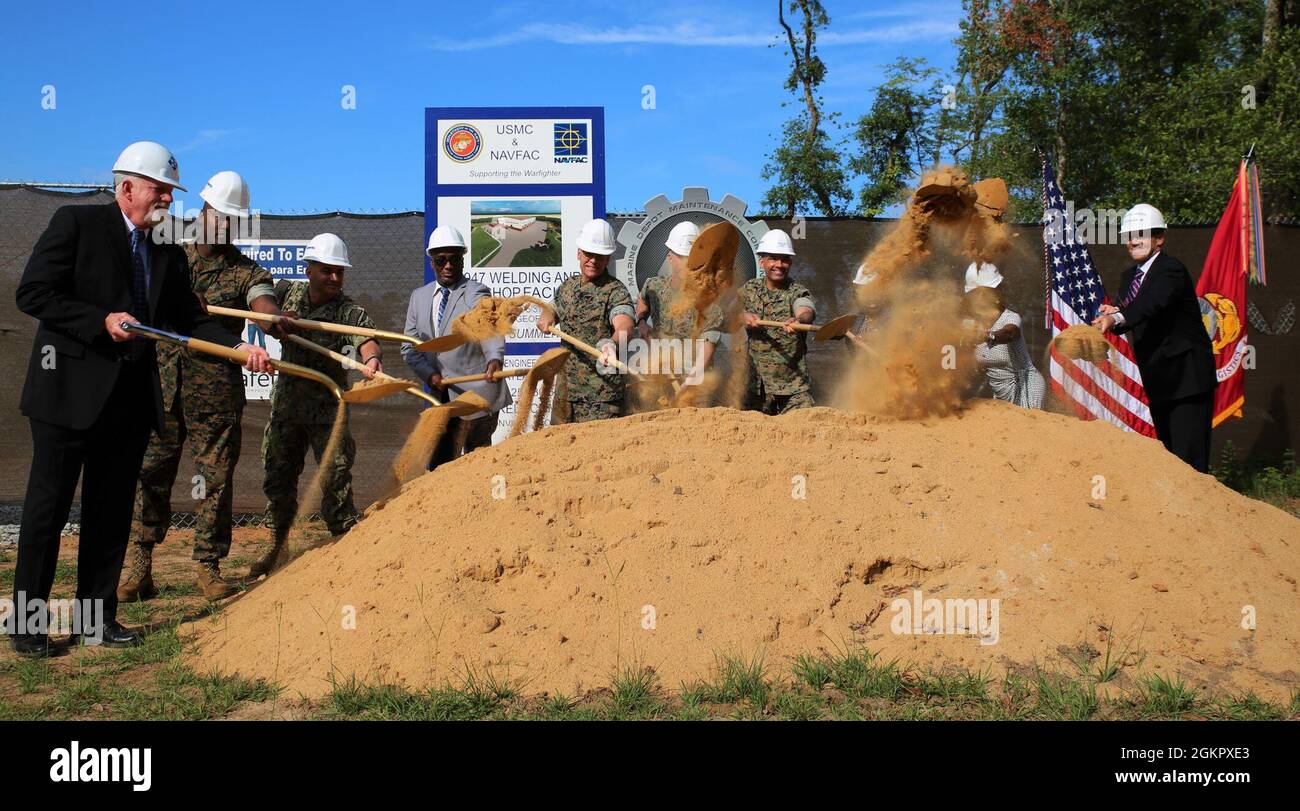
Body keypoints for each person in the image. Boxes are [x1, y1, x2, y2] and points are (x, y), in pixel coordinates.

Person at [11, 142, 271, 657]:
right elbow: (34, 293)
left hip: (127, 404)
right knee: (48, 509)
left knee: (108, 513)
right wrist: (100, 321)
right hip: (66, 396)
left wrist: (239, 348)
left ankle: (95, 619)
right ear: (127, 186)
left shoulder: (166, 254)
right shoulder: (76, 225)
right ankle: (27, 625)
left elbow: (188, 320)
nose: (167, 203)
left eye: (172, 196)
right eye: (160, 191)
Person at [120, 171, 284, 602]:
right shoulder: (168, 256)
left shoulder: (248, 272)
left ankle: (208, 567)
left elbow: (263, 301)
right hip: (161, 385)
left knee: (214, 478)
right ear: (204, 210)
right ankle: (139, 566)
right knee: (150, 472)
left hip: (214, 394)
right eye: (218, 214)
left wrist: (269, 318)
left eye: (232, 218)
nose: (222, 223)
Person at [254, 233, 382, 575]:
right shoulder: (286, 292)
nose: (335, 278)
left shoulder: (347, 310)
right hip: (287, 409)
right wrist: (274, 319)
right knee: (278, 479)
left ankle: (344, 549)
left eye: (340, 271)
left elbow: (366, 340)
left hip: (328, 411)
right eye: (327, 271)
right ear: (309, 269)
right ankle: (277, 550)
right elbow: (259, 307)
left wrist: (370, 360)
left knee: (336, 479)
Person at [1092, 204, 1216, 472]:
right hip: (1157, 378)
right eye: (1129, 235)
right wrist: (1115, 313)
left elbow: (1152, 302)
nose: (1133, 240)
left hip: (1187, 378)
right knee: (1169, 458)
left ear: (1160, 238)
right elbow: (1133, 311)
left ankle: (1197, 512)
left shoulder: (1171, 269)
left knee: (1189, 461)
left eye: (1142, 234)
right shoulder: (1129, 277)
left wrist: (1117, 317)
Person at [401, 225, 510, 467]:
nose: (448, 265)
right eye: (441, 260)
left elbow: (488, 325)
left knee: (478, 464)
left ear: (462, 260)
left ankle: (485, 505)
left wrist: (495, 358)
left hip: (477, 395)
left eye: (454, 259)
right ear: (432, 262)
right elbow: (410, 347)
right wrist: (429, 375)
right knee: (440, 464)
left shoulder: (476, 292)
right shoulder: (418, 297)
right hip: (441, 396)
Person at [536, 219, 635, 423]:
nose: (593, 261)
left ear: (608, 259)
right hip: (566, 394)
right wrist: (546, 316)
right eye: (589, 254)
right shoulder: (567, 288)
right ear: (579, 253)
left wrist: (612, 343)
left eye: (600, 256)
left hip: (600, 397)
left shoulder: (615, 291)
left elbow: (624, 323)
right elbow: (552, 310)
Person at [635, 222, 724, 396]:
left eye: (692, 259)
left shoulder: (709, 294)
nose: (687, 264)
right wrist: (642, 321)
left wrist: (690, 382)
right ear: (670, 257)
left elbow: (709, 341)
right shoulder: (654, 286)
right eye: (682, 257)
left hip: (697, 380)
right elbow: (642, 300)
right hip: (663, 378)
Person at [738, 229, 816, 415]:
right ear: (762, 261)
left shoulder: (796, 291)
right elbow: (727, 315)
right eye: (773, 258)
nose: (779, 265)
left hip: (793, 391)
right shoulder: (749, 290)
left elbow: (806, 310)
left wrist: (798, 320)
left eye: (785, 259)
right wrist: (742, 317)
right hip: (756, 389)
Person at [961, 266, 1045, 410]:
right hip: (1000, 392)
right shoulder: (969, 324)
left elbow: (1010, 333)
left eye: (985, 293)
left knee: (1027, 428)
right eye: (976, 294)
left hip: (1025, 385)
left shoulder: (1010, 317)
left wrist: (988, 336)